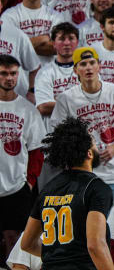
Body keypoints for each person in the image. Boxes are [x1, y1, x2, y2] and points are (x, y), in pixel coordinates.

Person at [21, 117, 114, 270]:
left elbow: (27, 244)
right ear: (89, 154)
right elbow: (95, 245)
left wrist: (58, 256)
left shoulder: (47, 189)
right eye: (94, 144)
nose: (97, 146)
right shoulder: (96, 187)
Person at [51, 47, 114, 204]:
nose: (88, 68)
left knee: (112, 223)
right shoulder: (66, 98)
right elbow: (58, 134)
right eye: (83, 64)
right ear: (75, 70)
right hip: (82, 172)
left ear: (99, 65)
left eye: (92, 63)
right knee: (85, 223)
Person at [0, 55, 45, 261]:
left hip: (17, 187)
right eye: (4, 73)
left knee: (15, 239)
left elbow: (37, 151)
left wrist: (30, 182)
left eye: (13, 73)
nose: (9, 78)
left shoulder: (28, 110)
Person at [34, 22, 80, 187]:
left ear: (77, 42)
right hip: (52, 145)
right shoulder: (45, 72)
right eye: (61, 39)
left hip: (80, 144)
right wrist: (78, 103)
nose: (66, 43)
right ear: (53, 43)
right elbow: (44, 106)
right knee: (49, 197)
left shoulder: (86, 69)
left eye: (71, 38)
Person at [1, 0, 64, 68]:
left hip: (47, 75)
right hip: (19, 76)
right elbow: (9, 47)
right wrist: (44, 38)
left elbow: (58, 48)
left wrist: (22, 46)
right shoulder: (9, 15)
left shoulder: (56, 16)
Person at [0, 0, 40, 101]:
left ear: (2, 4)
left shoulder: (16, 34)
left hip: (15, 100)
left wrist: (32, 91)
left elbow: (34, 67)